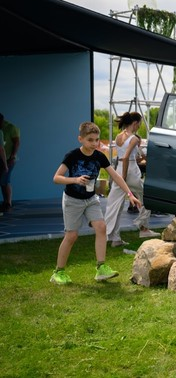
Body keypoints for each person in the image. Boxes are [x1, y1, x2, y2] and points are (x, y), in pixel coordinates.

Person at [50, 121, 142, 285]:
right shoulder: (72, 156)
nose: (94, 143)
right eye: (90, 140)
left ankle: (101, 268)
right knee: (71, 236)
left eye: (97, 140)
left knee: (101, 227)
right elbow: (56, 178)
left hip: (91, 200)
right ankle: (58, 272)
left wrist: (130, 194)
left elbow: (116, 176)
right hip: (72, 200)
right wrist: (75, 180)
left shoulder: (99, 156)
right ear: (81, 139)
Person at [105, 112, 160, 247]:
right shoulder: (134, 138)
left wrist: (121, 175)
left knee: (114, 204)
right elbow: (126, 157)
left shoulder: (119, 137)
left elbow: (125, 156)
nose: (139, 126)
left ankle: (113, 237)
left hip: (119, 170)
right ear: (135, 123)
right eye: (139, 123)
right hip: (129, 171)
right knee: (147, 197)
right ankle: (143, 228)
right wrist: (124, 176)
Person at [0, 113, 20, 213]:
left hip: (8, 158)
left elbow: (17, 142)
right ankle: (6, 202)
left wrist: (12, 156)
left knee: (4, 180)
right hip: (2, 158)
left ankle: (8, 203)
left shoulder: (11, 128)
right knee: (3, 181)